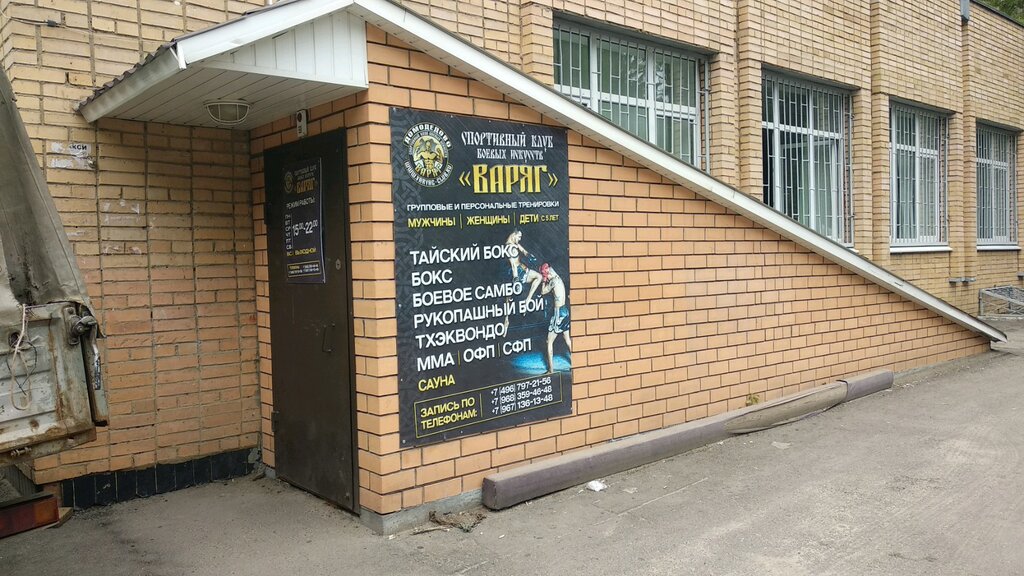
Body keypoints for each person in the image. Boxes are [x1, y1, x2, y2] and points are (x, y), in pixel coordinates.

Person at [535, 263, 570, 374]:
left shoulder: (553, 281)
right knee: (567, 340)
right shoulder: (558, 278)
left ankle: (550, 370)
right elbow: (550, 270)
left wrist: (544, 280)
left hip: (559, 313)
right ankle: (577, 364)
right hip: (565, 311)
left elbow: (543, 291)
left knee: (548, 341)